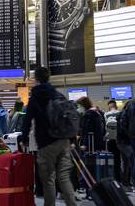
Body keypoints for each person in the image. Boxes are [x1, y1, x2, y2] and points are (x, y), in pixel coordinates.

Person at [21, 67, 76, 206]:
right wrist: (72, 139)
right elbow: (69, 117)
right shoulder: (58, 94)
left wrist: (23, 138)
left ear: (36, 78)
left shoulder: (35, 97)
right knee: (64, 177)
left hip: (46, 142)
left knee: (48, 179)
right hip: (63, 140)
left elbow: (27, 120)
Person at [116, 101, 134, 188]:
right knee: (130, 162)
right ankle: (127, 182)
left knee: (125, 163)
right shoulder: (125, 115)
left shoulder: (120, 114)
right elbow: (124, 129)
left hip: (121, 142)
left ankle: (125, 182)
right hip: (125, 142)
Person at [103, 99, 122, 182]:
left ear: (109, 106)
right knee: (119, 160)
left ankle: (113, 178)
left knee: (111, 160)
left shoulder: (106, 114)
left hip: (110, 140)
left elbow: (104, 128)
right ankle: (120, 179)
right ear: (115, 106)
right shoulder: (120, 113)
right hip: (119, 139)